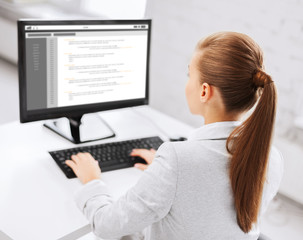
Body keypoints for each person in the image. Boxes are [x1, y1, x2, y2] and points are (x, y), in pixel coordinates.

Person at [65, 32, 283, 240]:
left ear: (204, 91)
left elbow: (106, 226)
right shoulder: (270, 157)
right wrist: (165, 176)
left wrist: (92, 181)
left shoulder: (178, 159)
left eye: (190, 75)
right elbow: (212, 212)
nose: (187, 83)